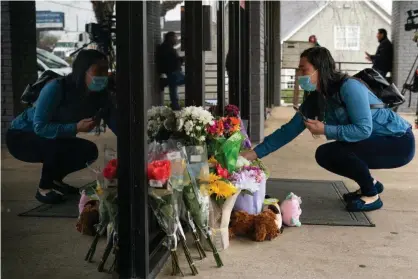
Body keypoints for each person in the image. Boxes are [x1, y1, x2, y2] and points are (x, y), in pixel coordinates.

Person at [241, 47, 415, 212]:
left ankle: (372, 195)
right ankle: (370, 184)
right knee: (326, 153)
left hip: (398, 142)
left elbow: (363, 130)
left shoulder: (349, 87)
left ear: (320, 69)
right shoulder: (317, 97)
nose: (300, 75)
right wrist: (253, 154)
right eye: (299, 70)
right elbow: (288, 131)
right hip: (373, 141)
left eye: (304, 69)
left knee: (334, 152)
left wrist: (325, 129)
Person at [6, 49, 117, 204]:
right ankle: (44, 189)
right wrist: (75, 127)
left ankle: (56, 181)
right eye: (98, 71)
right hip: (21, 136)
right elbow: (40, 127)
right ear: (82, 70)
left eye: (106, 70)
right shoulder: (57, 88)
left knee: (89, 150)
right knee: (56, 145)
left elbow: (115, 123)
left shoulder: (100, 95)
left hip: (52, 138)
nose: (103, 76)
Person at [156, 31, 185, 110]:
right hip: (172, 72)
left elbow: (173, 60)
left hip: (171, 72)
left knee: (173, 88)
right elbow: (172, 61)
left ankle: (175, 105)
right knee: (188, 79)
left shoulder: (167, 47)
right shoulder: (167, 48)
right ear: (170, 38)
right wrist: (182, 59)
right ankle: (166, 81)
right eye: (175, 37)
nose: (176, 39)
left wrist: (181, 59)